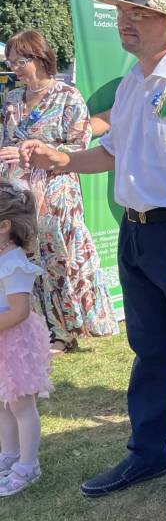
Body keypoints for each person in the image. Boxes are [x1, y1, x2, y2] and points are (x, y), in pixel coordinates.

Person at [19, 0, 166, 515]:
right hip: (137, 231)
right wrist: (62, 159)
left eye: (139, 13)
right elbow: (112, 153)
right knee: (148, 348)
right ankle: (147, 453)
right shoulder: (135, 84)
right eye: (121, 13)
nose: (125, 22)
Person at [0, 30, 117, 354]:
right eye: (11, 63)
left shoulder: (67, 96)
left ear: (39, 58)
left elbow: (80, 146)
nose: (16, 69)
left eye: (20, 61)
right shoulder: (12, 99)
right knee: (24, 254)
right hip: (19, 193)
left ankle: (64, 332)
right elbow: (6, 140)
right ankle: (34, 326)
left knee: (57, 257)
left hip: (56, 190)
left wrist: (37, 150)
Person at [0, 182, 49, 496]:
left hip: (14, 344)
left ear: (4, 226)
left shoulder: (15, 263)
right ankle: (10, 454)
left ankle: (28, 465)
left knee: (20, 405)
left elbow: (19, 310)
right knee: (3, 403)